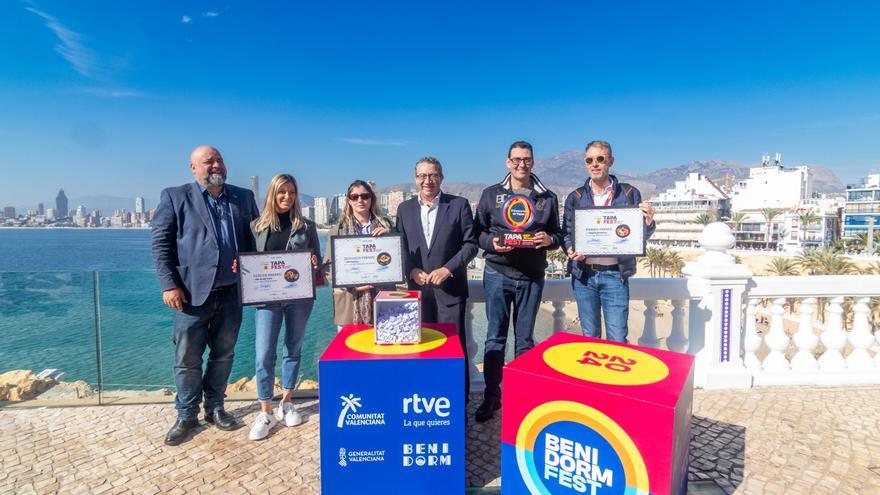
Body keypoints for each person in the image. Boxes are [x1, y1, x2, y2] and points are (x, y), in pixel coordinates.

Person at [151, 145, 259, 446]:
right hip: (189, 295)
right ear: (193, 168)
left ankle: (215, 407)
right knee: (187, 358)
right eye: (208, 161)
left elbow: (257, 239)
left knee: (224, 355)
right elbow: (161, 244)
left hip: (231, 292)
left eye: (220, 160)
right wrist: (168, 285)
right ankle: (186, 415)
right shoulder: (175, 196)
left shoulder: (242, 197)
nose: (216, 165)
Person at [472, 141, 563, 422]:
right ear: (507, 162)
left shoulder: (547, 197)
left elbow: (557, 234)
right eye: (516, 160)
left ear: (533, 162)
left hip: (532, 277)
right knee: (494, 338)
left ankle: (523, 399)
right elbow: (477, 234)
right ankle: (492, 396)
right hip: (497, 273)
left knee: (524, 341)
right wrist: (492, 243)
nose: (521, 164)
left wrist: (550, 240)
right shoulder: (490, 195)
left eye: (526, 160)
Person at [395, 157, 478, 402]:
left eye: (432, 175)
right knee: (421, 349)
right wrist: (411, 271)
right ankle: (425, 400)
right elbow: (399, 247)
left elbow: (470, 245)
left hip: (450, 292)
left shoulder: (459, 205)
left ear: (441, 178)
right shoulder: (404, 209)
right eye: (422, 175)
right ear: (415, 179)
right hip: (418, 295)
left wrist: (448, 269)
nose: (427, 180)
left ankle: (457, 403)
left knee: (455, 350)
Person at [248, 174, 321, 440]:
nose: (287, 197)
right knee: (263, 353)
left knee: (293, 348)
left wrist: (314, 266)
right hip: (267, 300)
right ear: (272, 194)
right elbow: (247, 263)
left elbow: (317, 264)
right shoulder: (256, 226)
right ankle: (265, 411)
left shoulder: (307, 226)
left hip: (299, 298)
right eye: (282, 192)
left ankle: (287, 401)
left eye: (291, 192)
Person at [562, 140, 655, 343]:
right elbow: (567, 233)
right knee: (590, 338)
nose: (595, 164)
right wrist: (570, 249)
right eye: (590, 160)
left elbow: (639, 235)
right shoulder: (575, 197)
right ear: (585, 163)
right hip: (583, 276)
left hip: (616, 275)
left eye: (600, 159)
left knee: (617, 339)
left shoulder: (629, 193)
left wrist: (648, 221)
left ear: (610, 161)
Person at [324, 180, 393, 326]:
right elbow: (328, 268)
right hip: (349, 302)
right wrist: (351, 285)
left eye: (365, 196)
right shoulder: (337, 231)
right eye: (355, 197)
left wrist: (390, 237)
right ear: (349, 200)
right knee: (349, 347)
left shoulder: (387, 226)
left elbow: (398, 257)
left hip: (382, 298)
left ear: (371, 199)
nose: (360, 200)